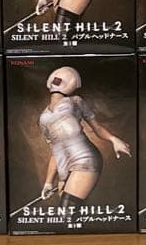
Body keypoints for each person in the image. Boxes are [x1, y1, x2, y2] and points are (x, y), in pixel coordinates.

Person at [38, 66, 131, 213]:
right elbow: (55, 151)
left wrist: (114, 139)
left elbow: (97, 128)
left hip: (85, 159)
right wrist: (48, 183)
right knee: (69, 214)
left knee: (67, 212)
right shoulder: (43, 118)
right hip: (65, 167)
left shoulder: (75, 101)